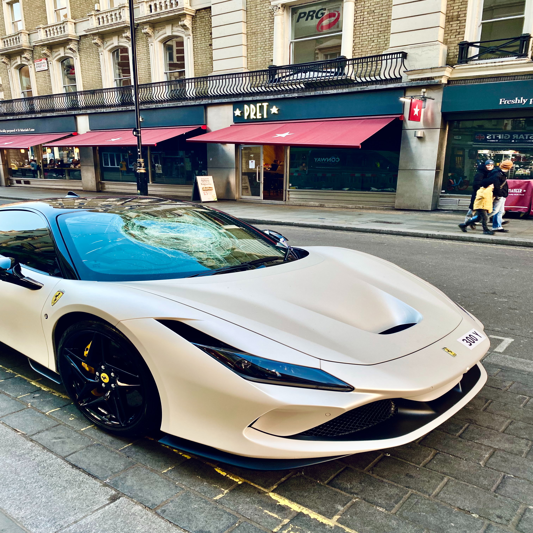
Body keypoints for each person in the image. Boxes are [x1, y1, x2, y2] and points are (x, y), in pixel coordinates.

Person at [462, 160, 494, 229]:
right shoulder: (481, 174)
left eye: (491, 165)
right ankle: (466, 223)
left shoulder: (488, 173)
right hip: (478, 195)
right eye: (488, 165)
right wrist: (483, 189)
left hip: (482, 195)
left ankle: (469, 223)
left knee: (478, 211)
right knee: (472, 209)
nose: (489, 167)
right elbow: (476, 185)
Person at [487, 160, 512, 232]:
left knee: (499, 211)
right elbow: (497, 186)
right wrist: (500, 194)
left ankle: (497, 226)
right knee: (495, 211)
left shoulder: (499, 173)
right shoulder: (499, 174)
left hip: (501, 194)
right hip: (500, 195)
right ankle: (476, 219)